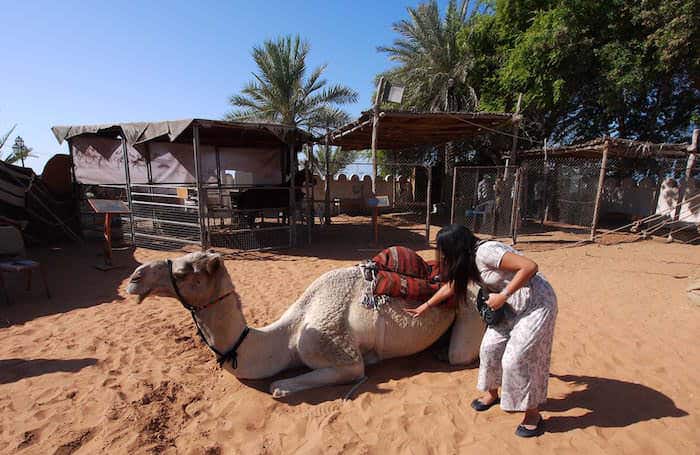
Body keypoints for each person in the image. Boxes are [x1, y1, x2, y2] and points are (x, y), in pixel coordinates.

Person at [405, 224, 558, 438]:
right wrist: (426, 305)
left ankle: (533, 415)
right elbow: (452, 285)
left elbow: (530, 266)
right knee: (489, 349)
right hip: (508, 306)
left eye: (444, 249)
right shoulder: (467, 260)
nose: (441, 255)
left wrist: (503, 295)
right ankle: (492, 394)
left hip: (535, 304)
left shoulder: (487, 252)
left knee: (517, 358)